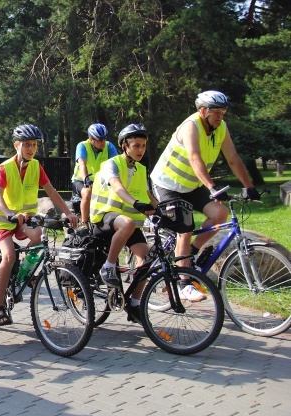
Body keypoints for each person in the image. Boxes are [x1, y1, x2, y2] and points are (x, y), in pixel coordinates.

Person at [150, 90, 258, 302]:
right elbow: (194, 157)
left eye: (223, 112)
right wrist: (212, 186)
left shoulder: (221, 129)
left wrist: (249, 187)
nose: (220, 116)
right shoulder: (191, 126)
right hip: (167, 184)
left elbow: (233, 158)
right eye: (216, 112)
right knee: (185, 226)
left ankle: (189, 254)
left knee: (220, 213)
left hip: (191, 185)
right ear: (203, 111)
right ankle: (184, 283)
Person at [0, 124, 78, 326]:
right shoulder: (4, 167)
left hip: (23, 217)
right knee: (8, 255)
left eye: (34, 145)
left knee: (38, 237)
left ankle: (20, 273)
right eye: (26, 144)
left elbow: (51, 192)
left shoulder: (35, 166)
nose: (31, 149)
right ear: (16, 145)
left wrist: (68, 213)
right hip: (2, 217)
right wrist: (9, 213)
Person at [89, 124, 158, 321]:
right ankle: (109, 266)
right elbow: (117, 187)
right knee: (127, 223)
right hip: (105, 218)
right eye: (136, 145)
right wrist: (136, 203)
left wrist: (163, 209)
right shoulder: (111, 164)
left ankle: (135, 304)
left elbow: (148, 195)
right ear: (125, 146)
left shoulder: (141, 168)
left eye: (143, 146)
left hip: (127, 225)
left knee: (147, 260)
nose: (140, 150)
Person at [70, 123, 118, 223]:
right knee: (87, 192)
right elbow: (82, 164)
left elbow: (117, 164)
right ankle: (84, 223)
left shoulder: (109, 146)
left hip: (100, 182)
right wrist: (86, 181)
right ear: (91, 139)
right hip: (80, 180)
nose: (103, 142)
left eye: (104, 139)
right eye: (100, 140)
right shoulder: (82, 146)